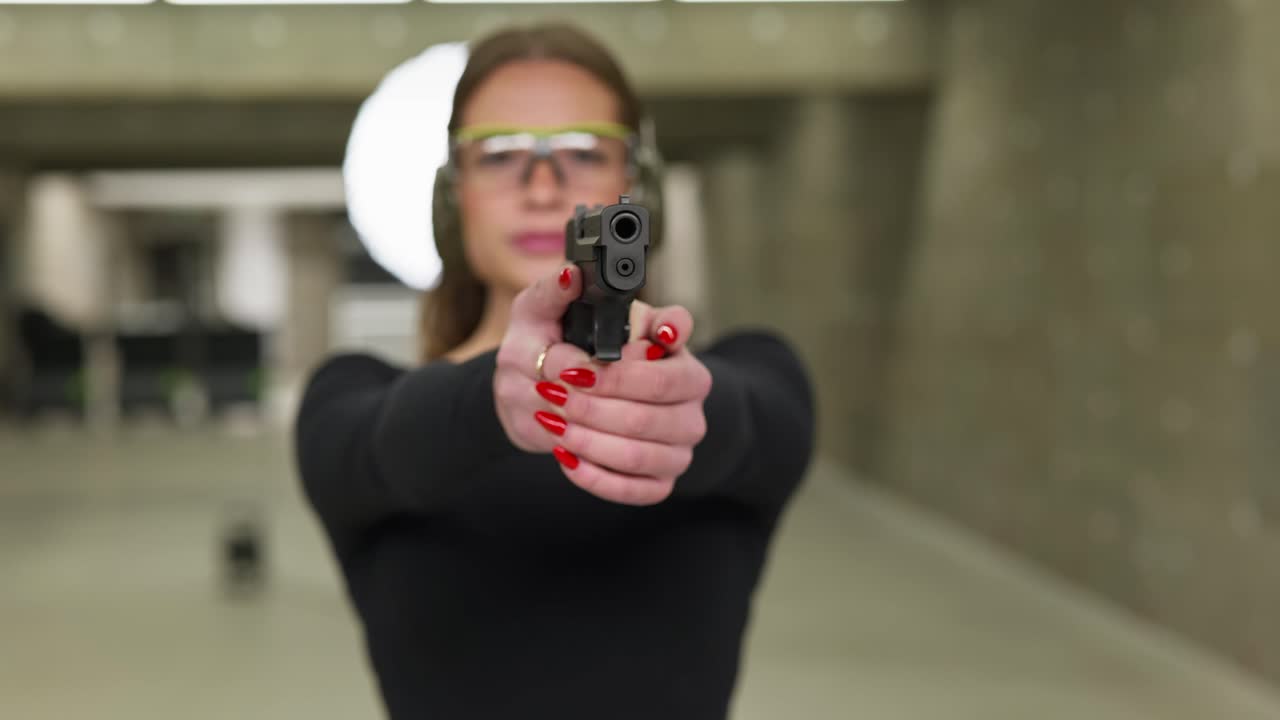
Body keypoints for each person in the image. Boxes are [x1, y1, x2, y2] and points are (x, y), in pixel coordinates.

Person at [295, 22, 815, 720]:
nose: (543, 186)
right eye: (501, 153)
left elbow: (752, 420)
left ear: (637, 189)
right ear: (454, 196)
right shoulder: (353, 399)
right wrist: (494, 397)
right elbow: (375, 446)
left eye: (582, 149)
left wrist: (680, 407)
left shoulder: (746, 375)